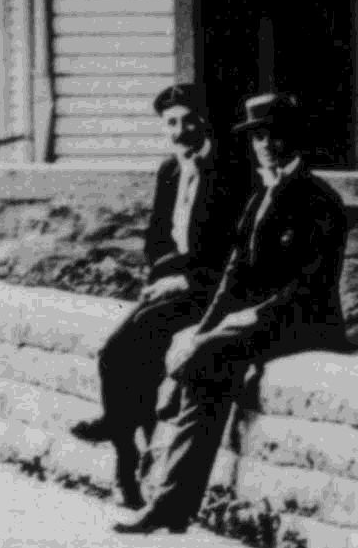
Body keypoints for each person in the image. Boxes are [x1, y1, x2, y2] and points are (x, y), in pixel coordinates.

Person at [114, 92, 347, 538]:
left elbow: (306, 288)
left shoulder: (318, 200)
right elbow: (233, 277)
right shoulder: (261, 195)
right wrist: (201, 330)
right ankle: (170, 504)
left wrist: (233, 325)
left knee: (206, 357)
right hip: (256, 326)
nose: (264, 144)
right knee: (202, 360)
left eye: (273, 134)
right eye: (257, 136)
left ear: (293, 139)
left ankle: (169, 501)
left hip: (303, 324)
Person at [69, 80, 235, 508]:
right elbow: (157, 241)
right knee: (114, 353)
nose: (180, 132)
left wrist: (185, 279)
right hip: (172, 284)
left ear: (205, 122)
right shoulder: (170, 172)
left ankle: (125, 451)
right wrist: (164, 275)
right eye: (171, 123)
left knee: (142, 344)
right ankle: (127, 458)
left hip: (212, 290)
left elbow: (229, 249)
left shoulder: (230, 174)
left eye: (188, 121)